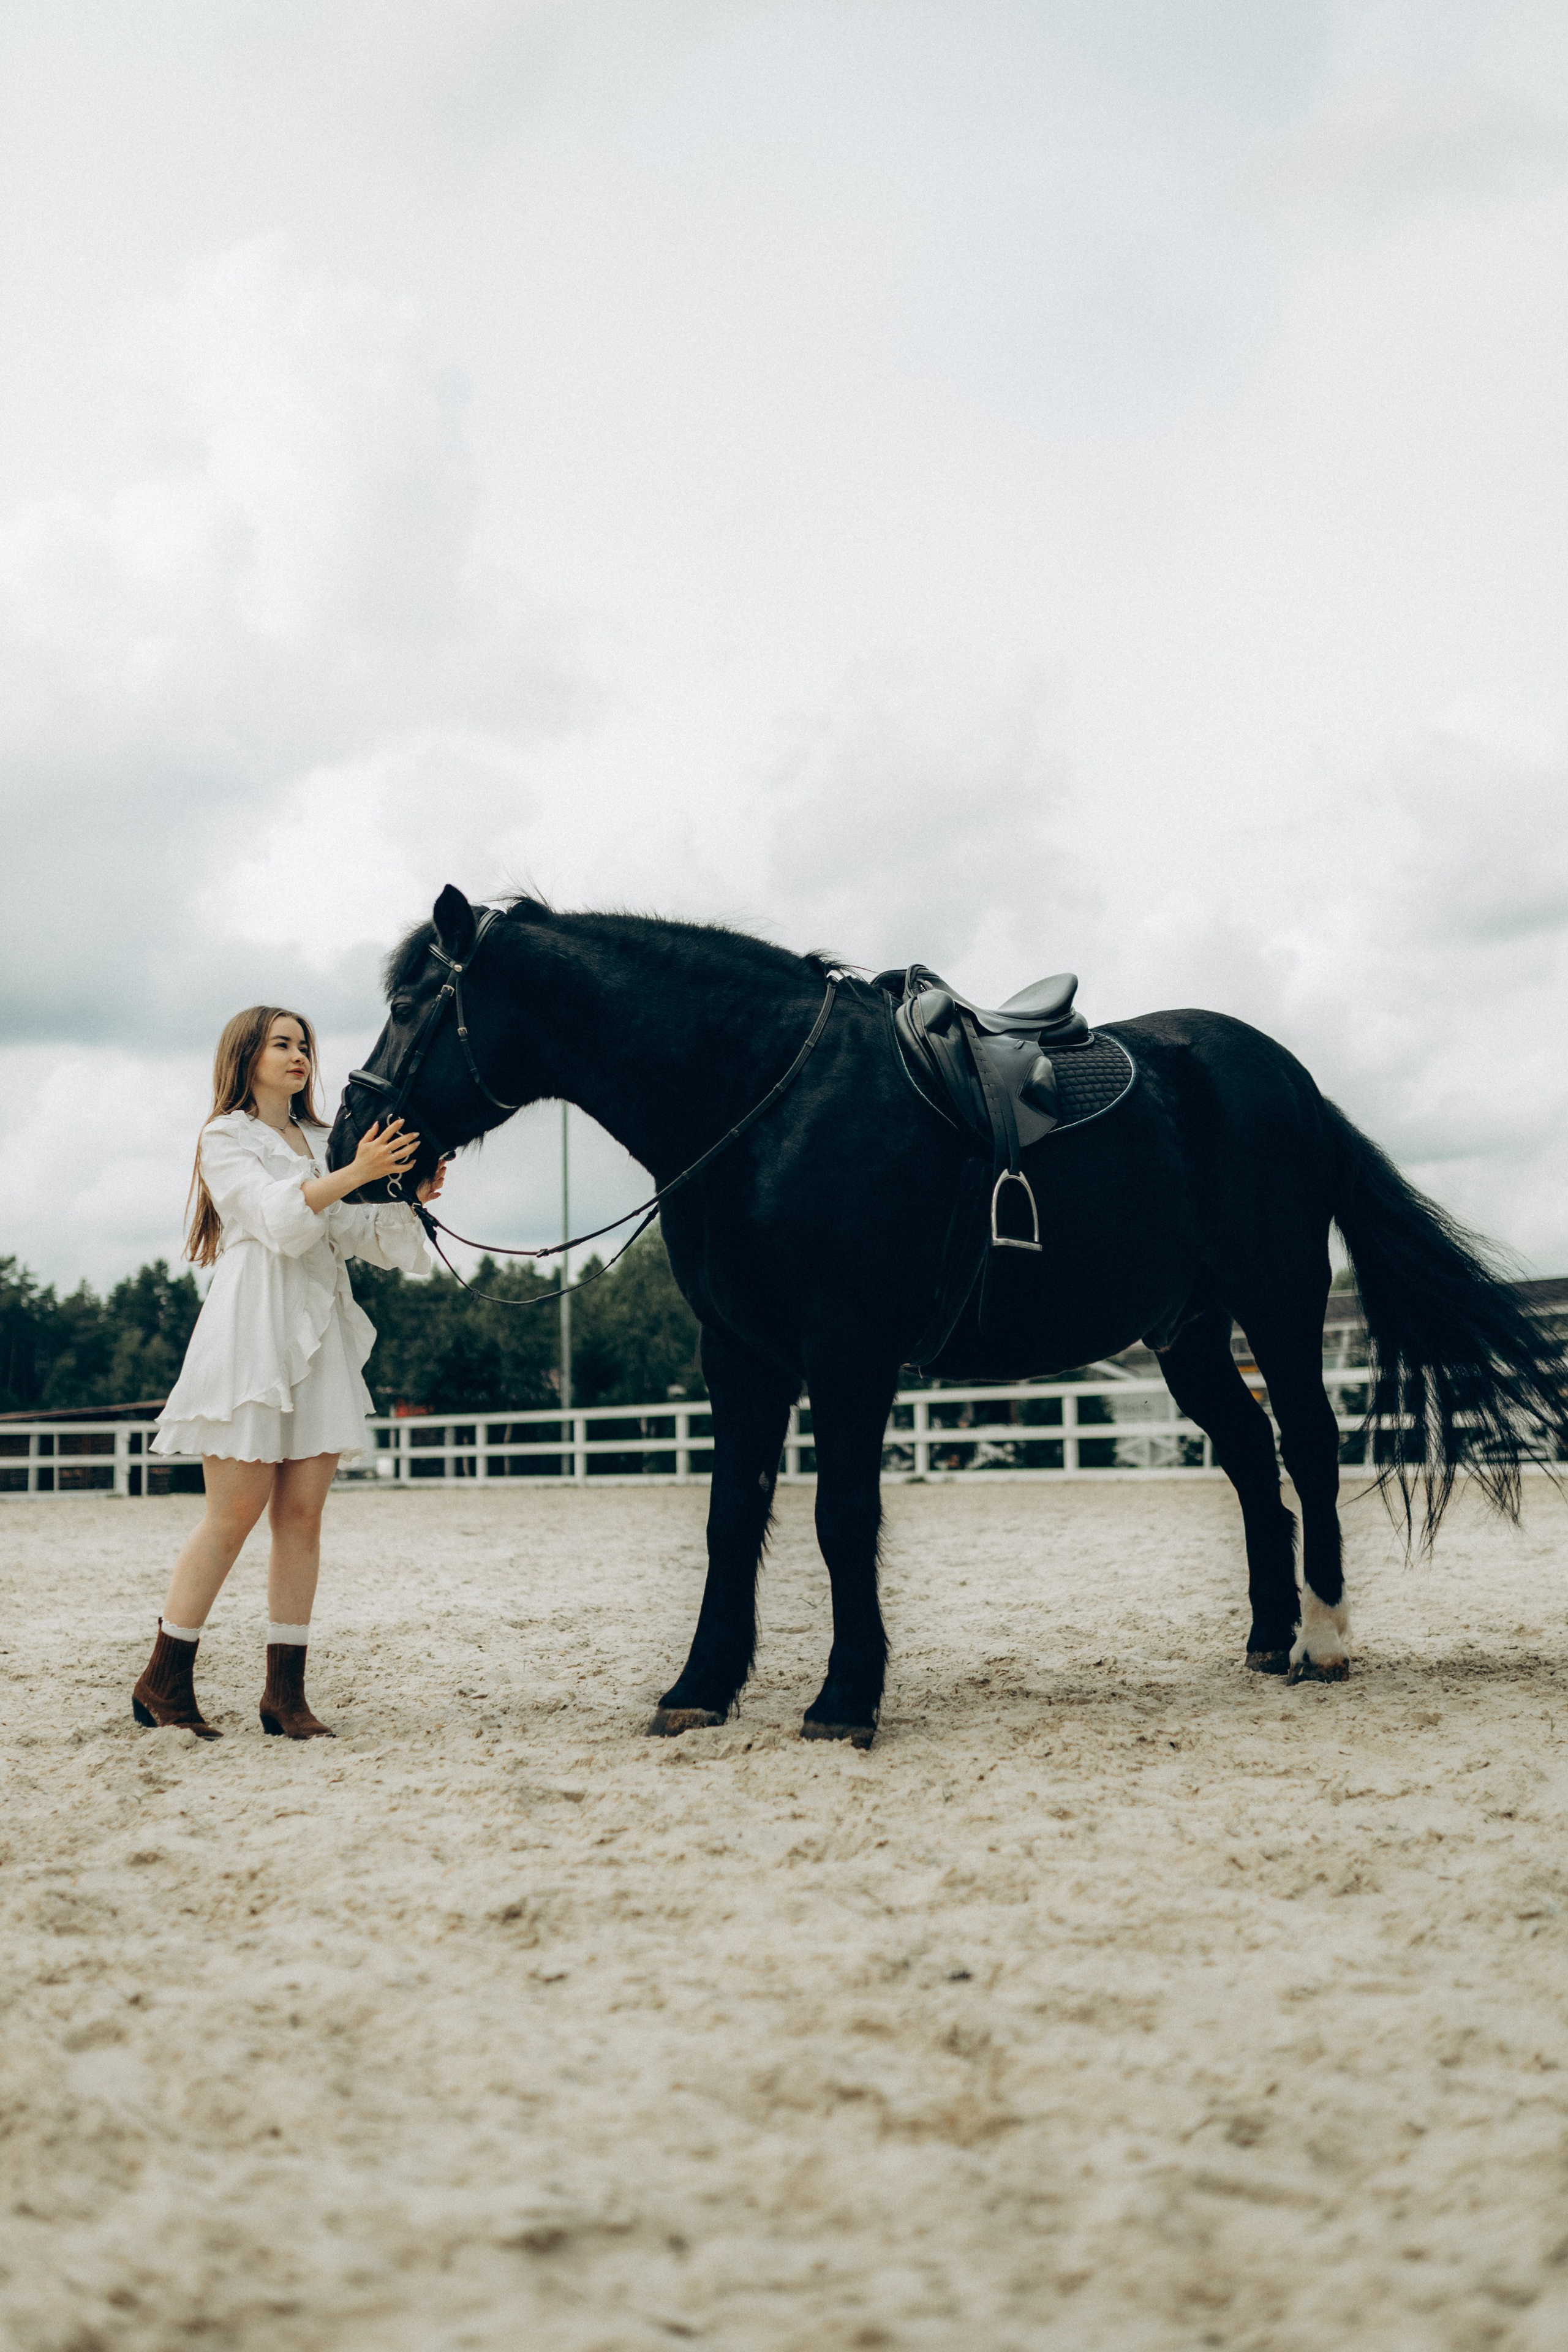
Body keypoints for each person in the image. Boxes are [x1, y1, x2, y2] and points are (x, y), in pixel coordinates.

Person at [130, 1005, 445, 1741]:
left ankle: (285, 1697)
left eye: (304, 1044)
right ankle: (163, 1679)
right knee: (232, 1514)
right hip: (253, 1327)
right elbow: (276, 1217)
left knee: (302, 1517)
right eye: (282, 1043)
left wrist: (402, 1196)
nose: (298, 1055)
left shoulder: (322, 1140)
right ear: (247, 1056)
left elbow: (350, 1231)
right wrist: (355, 1173)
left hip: (319, 1329)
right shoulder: (224, 1136)